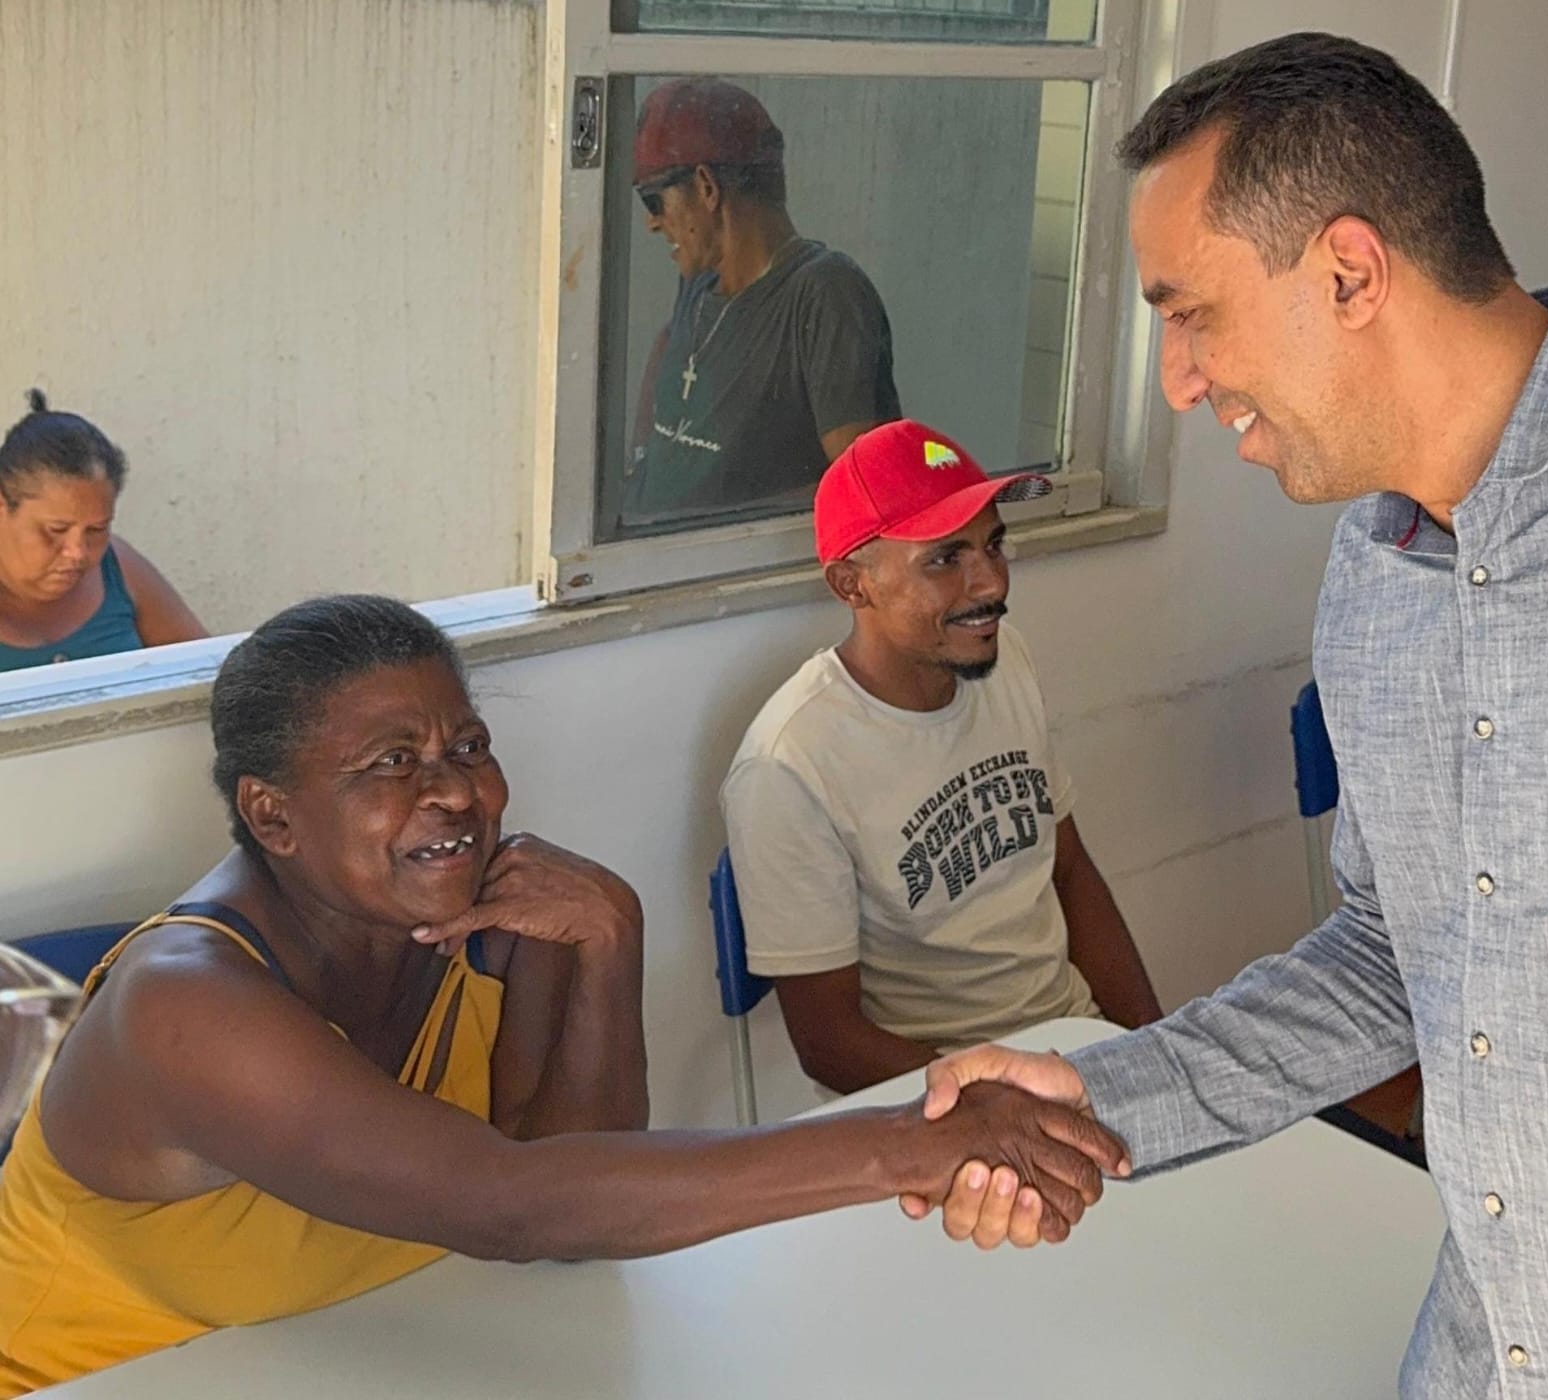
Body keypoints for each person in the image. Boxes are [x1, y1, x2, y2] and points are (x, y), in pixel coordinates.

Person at [902, 32, 1548, 1397]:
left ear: (1348, 273)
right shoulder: (1376, 574)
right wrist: (1106, 1094)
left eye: (1189, 313)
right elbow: (1395, 955)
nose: (1176, 380)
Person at [0, 593, 1128, 1394]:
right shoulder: (184, 1009)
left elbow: (566, 1219)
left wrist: (607, 941)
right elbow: (511, 1205)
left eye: (467, 745)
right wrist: (912, 1145)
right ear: (271, 814)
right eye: (391, 763)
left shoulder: (481, 918)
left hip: (375, 1357)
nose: (455, 792)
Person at [721, 419, 1161, 1096]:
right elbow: (828, 1043)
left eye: (993, 546)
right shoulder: (790, 764)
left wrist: (1150, 1049)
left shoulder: (1006, 661)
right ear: (851, 585)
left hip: (1070, 1044)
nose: (989, 585)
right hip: (933, 1097)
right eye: (945, 559)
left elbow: (1069, 870)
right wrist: (1008, 1104)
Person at [622, 77, 900, 528]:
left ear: (706, 187)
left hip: (731, 563)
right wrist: (641, 459)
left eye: (654, 201)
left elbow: (862, 484)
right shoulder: (700, 279)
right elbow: (671, 341)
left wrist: (724, 527)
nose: (652, 223)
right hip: (643, 551)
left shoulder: (825, 292)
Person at [0, 390, 206, 673]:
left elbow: (205, 670)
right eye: (56, 529)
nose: (77, 552)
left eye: (96, 530)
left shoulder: (118, 567)